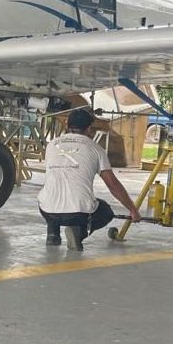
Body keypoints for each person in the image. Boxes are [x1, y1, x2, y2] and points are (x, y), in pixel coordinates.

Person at [38, 106, 142, 250]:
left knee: (54, 193)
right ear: (89, 129)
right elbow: (113, 185)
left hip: (47, 210)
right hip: (77, 213)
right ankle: (78, 233)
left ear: (68, 126)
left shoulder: (51, 145)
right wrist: (133, 210)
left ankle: (52, 234)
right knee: (106, 212)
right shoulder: (96, 149)